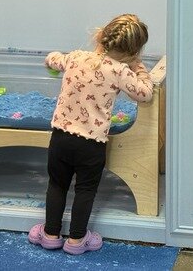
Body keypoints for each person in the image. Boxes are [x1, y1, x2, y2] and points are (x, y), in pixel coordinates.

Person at [28, 14, 153, 255]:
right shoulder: (120, 71)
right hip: (91, 144)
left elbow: (54, 58)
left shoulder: (76, 57)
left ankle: (50, 234)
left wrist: (51, 59)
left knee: (57, 184)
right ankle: (76, 240)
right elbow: (145, 93)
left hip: (61, 137)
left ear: (100, 36)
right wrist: (139, 67)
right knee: (85, 190)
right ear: (134, 50)